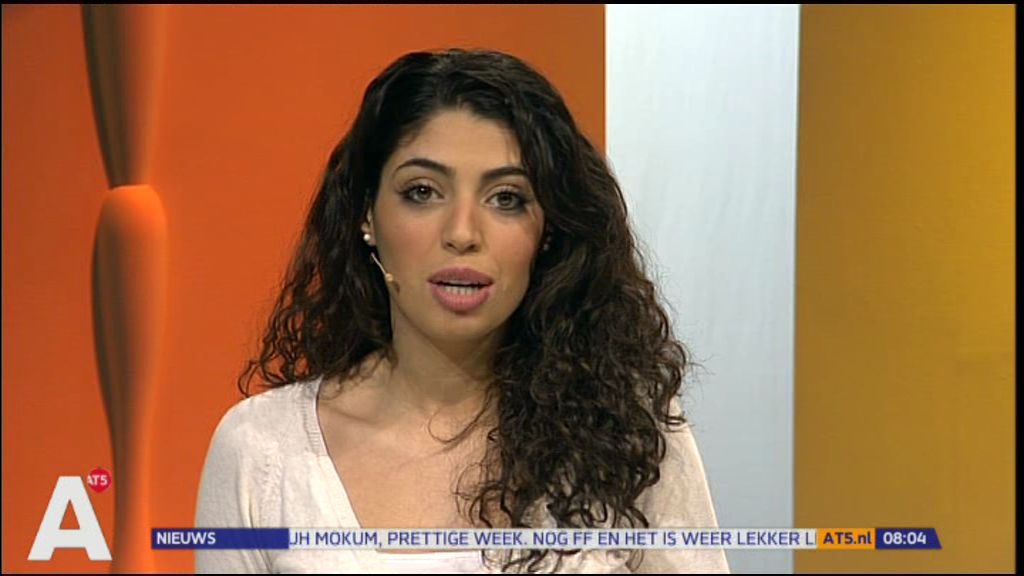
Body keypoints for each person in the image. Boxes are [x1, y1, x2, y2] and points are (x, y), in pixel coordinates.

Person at [195, 48, 729, 574]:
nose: (462, 233)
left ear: (548, 230)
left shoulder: (623, 430)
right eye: (422, 191)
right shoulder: (263, 450)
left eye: (506, 198)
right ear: (367, 216)